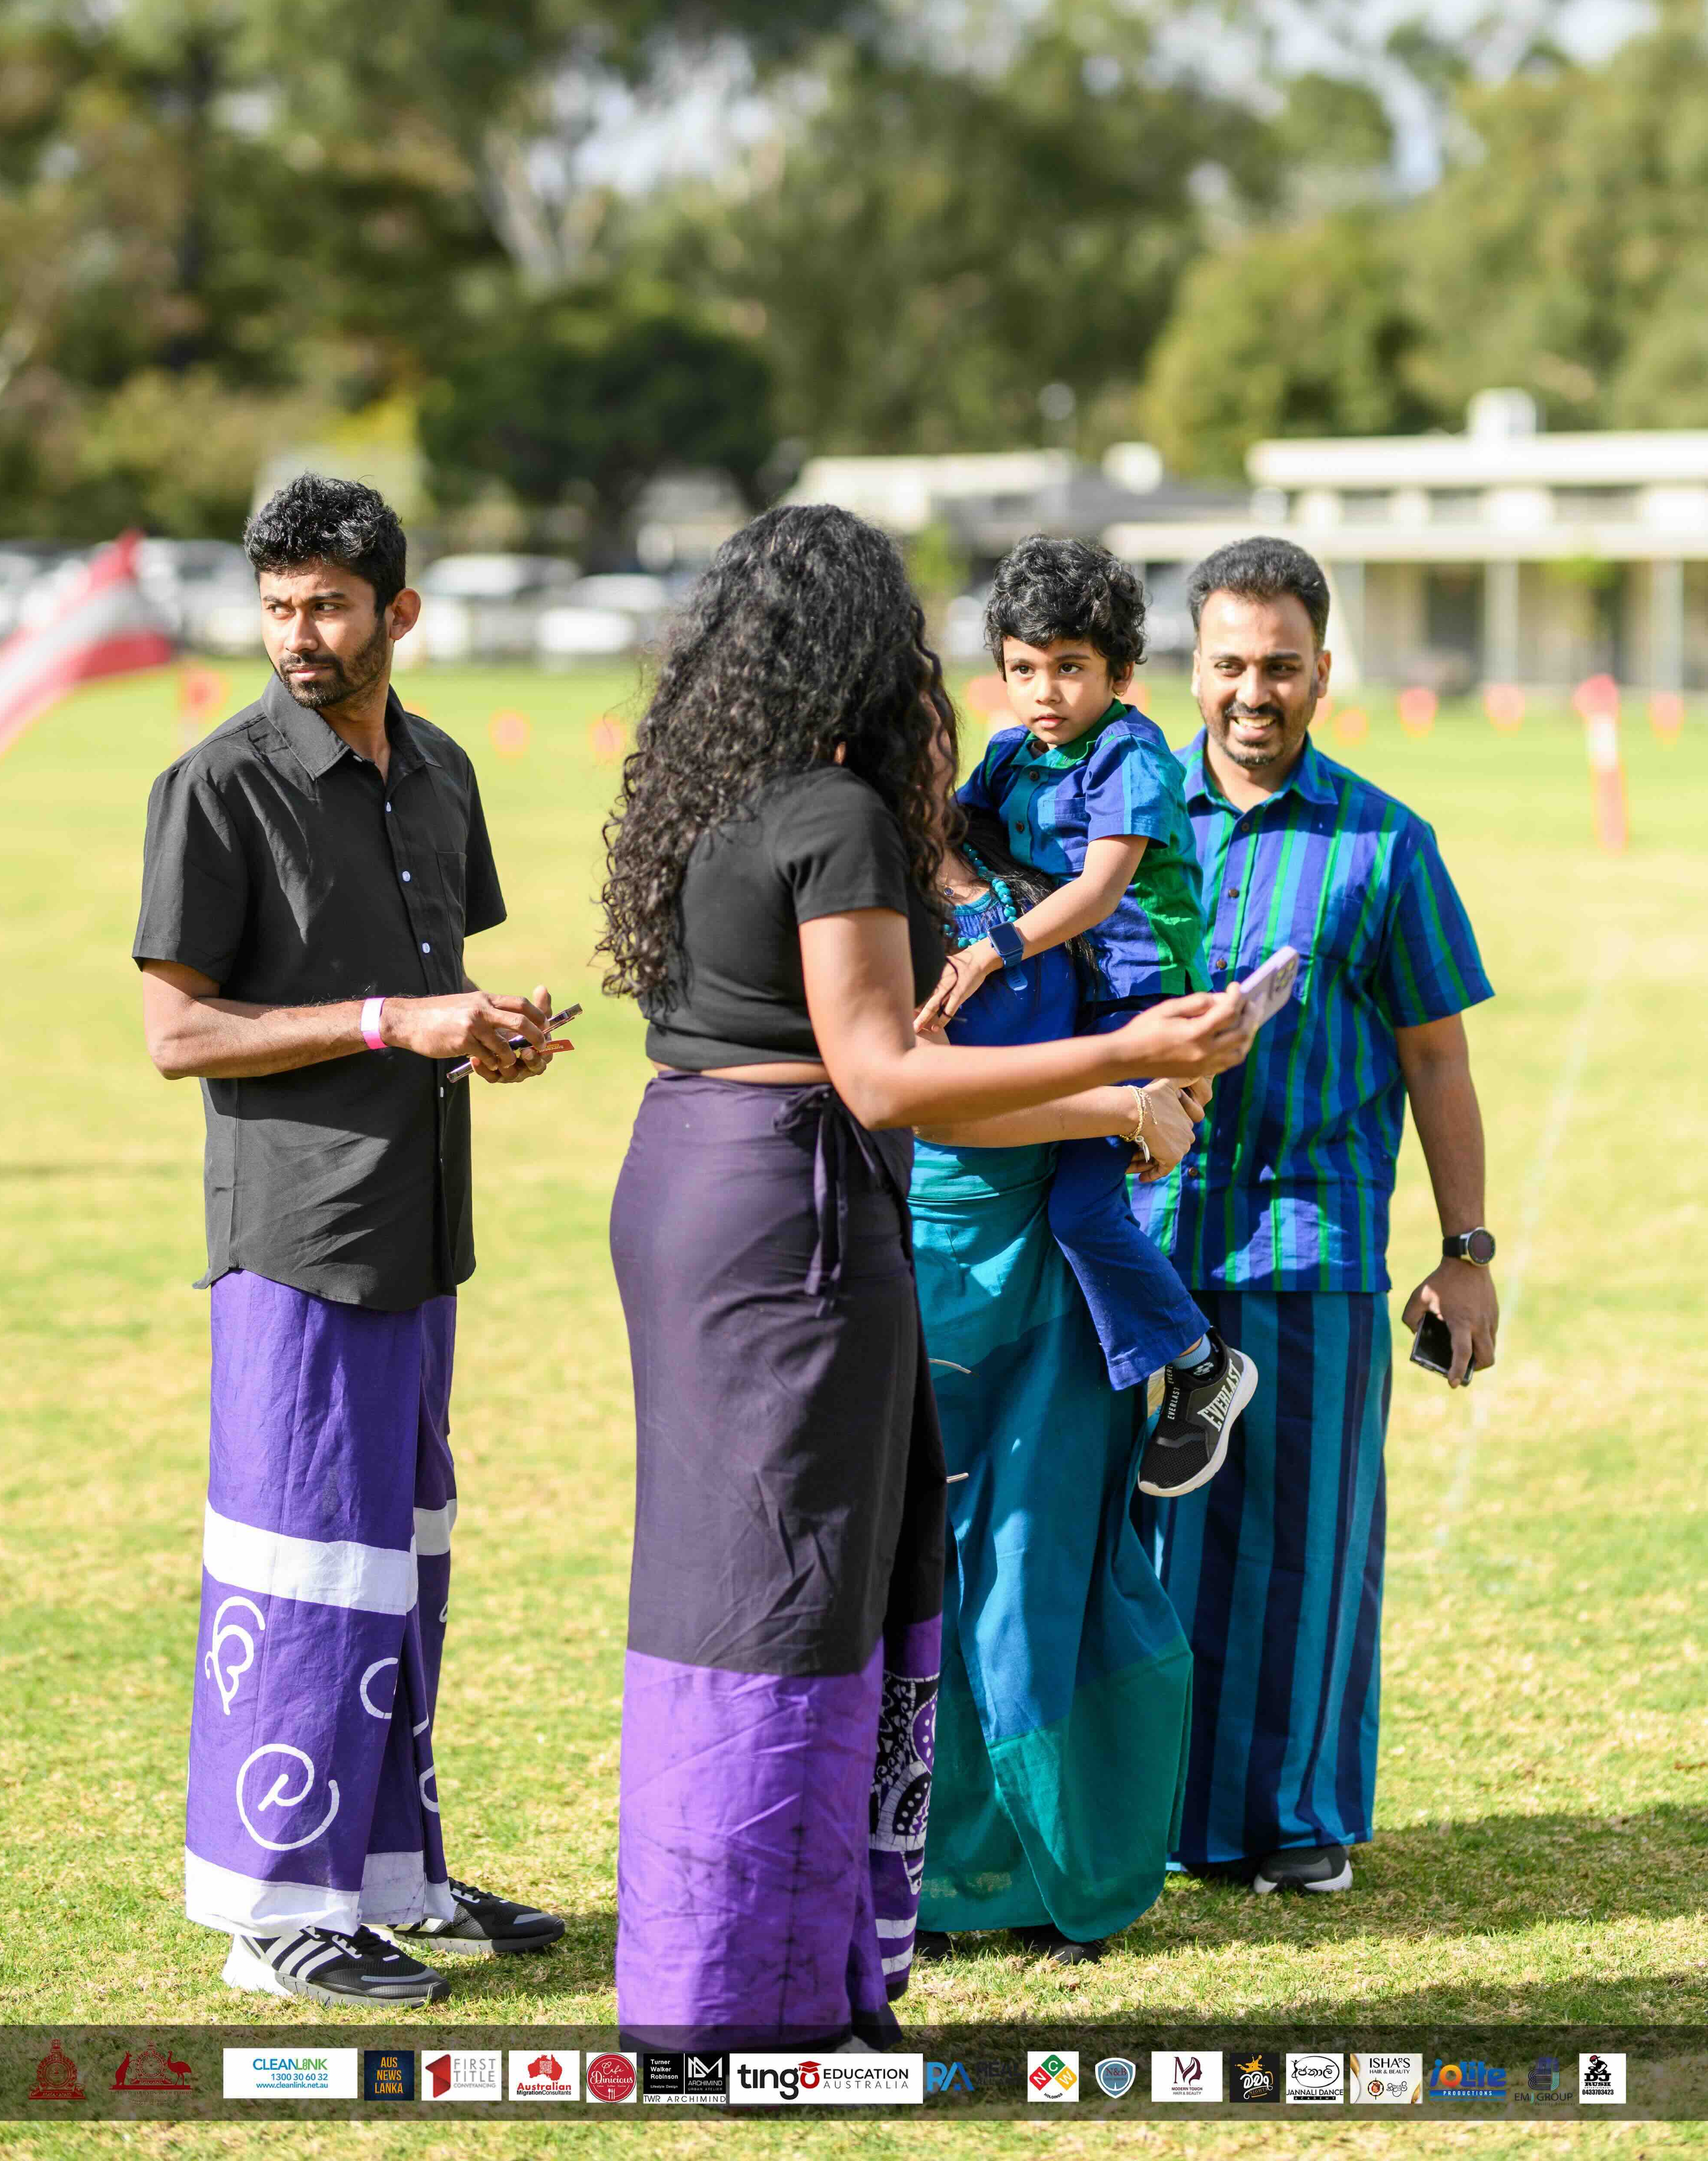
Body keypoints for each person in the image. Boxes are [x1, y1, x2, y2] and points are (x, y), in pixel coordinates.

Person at [599, 504, 1252, 2056]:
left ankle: (779, 1973)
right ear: (859, 656)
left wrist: (1101, 1104)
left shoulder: (718, 793)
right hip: (792, 1218)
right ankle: (755, 2002)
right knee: (799, 1593)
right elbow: (888, 1076)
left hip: (695, 1184)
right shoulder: (836, 813)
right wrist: (1133, 1045)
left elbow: (878, 1071)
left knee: (754, 1587)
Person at [134, 475, 570, 2006]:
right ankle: (273, 1913)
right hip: (295, 1239)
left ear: (399, 610)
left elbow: (433, 986)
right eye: (275, 607)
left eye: (326, 604)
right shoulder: (217, 782)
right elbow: (178, 1031)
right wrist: (396, 1019)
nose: (296, 635)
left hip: (421, 1225)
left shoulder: (442, 769)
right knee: (304, 1563)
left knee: (399, 1559)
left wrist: (483, 1040)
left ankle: (392, 1875)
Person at [1133, 535, 1497, 1898]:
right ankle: (1145, 1814)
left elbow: (1439, 1057)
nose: (1251, 692)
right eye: (1229, 663)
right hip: (1134, 1246)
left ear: (1324, 673)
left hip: (1310, 1243)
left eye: (1280, 667)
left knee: (1302, 1543)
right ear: (1193, 668)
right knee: (1133, 1540)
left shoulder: (1385, 844)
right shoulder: (1127, 828)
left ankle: (1289, 1823)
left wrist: (1465, 1258)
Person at [908, 808, 1202, 1968]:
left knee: (1050, 1564)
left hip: (1060, 1260)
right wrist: (1116, 1103)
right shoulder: (851, 894)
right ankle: (930, 1881)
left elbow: (1133, 994)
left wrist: (1168, 1095)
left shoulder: (1027, 865)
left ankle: (1063, 1872)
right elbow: (918, 1092)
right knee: (925, 1576)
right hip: (929, 1266)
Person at [920, 535, 1255, 1496]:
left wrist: (992, 946)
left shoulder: (1130, 752)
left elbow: (1100, 891)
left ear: (1118, 672)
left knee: (1079, 1204)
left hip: (1147, 1003)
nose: (1045, 692)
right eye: (1023, 668)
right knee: (1075, 1197)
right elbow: (951, 826)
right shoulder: (1008, 754)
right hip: (1080, 1008)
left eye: (1070, 668)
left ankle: (1199, 1367)